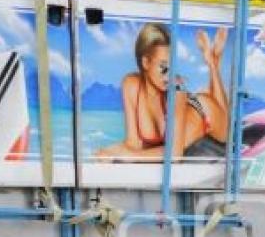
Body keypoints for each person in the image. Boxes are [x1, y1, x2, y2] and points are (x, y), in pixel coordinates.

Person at [96, 23, 230, 161]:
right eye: (163, 67)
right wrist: (112, 151)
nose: (168, 74)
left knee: (226, 129)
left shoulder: (176, 87)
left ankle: (212, 62)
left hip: (204, 114)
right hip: (186, 106)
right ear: (145, 63)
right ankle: (212, 60)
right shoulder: (131, 85)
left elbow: (174, 155)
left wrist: (127, 154)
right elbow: (134, 144)